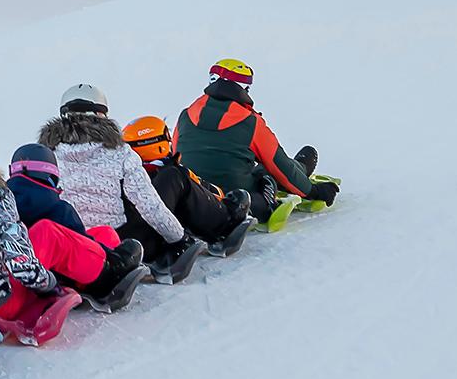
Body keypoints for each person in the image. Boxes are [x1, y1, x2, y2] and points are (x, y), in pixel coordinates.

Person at [0, 110, 144, 322]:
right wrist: (50, 285)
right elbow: (21, 263)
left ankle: (105, 255)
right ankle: (107, 276)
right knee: (47, 233)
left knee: (63, 234)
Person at [41, 84, 208, 281]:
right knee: (172, 175)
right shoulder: (119, 152)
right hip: (119, 243)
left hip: (70, 245)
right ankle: (216, 226)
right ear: (100, 113)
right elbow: (149, 204)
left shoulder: (46, 155)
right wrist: (178, 238)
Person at [173, 59, 338, 219]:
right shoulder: (250, 122)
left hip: (193, 198)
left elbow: (176, 157)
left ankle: (298, 171)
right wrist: (314, 191)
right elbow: (279, 164)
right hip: (237, 201)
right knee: (266, 173)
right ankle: (301, 170)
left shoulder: (185, 116)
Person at [122, 114, 256, 254]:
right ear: (156, 142)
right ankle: (223, 224)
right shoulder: (165, 171)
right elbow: (203, 187)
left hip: (130, 241)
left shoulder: (122, 173)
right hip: (153, 238)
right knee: (176, 178)